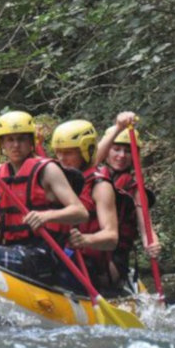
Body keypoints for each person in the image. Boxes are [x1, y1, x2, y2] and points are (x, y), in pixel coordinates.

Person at [0, 111, 88, 285]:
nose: (15, 145)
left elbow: (80, 212)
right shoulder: (0, 171)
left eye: (22, 139)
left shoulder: (47, 170)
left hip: (40, 256)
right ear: (1, 143)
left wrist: (46, 216)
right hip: (12, 249)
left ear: (31, 141)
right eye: (10, 139)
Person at [94, 111, 162, 286]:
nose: (122, 156)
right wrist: (118, 128)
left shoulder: (135, 189)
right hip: (89, 247)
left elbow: (145, 227)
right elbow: (94, 158)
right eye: (116, 149)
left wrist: (152, 244)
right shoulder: (93, 176)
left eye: (127, 151)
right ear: (108, 151)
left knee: (100, 276)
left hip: (115, 255)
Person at [51, 119, 119, 289]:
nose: (61, 159)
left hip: (87, 264)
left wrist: (85, 240)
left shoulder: (100, 187)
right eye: (58, 152)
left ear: (85, 151)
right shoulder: (56, 177)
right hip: (59, 253)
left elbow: (111, 237)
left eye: (68, 153)